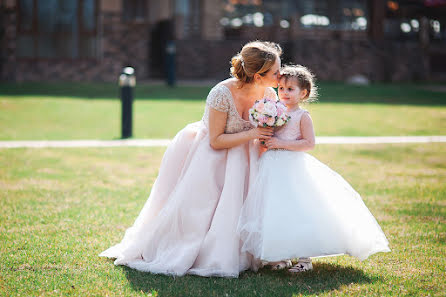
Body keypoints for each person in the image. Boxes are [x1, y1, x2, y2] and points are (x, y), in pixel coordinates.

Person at [100, 41, 282, 277]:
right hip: (214, 156)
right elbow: (215, 140)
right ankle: (204, 251)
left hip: (248, 157)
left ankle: (252, 252)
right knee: (202, 211)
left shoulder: (269, 93)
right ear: (258, 76)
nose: (281, 75)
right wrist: (253, 133)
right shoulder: (221, 93)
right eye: (276, 72)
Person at [237, 65, 390, 273]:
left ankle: (304, 258)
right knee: (274, 209)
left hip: (292, 168)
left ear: (303, 93)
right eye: (281, 88)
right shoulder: (273, 111)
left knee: (298, 209)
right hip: (271, 168)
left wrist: (280, 144)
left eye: (290, 89)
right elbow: (269, 138)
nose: (284, 93)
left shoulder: (302, 116)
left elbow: (309, 143)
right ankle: (279, 256)